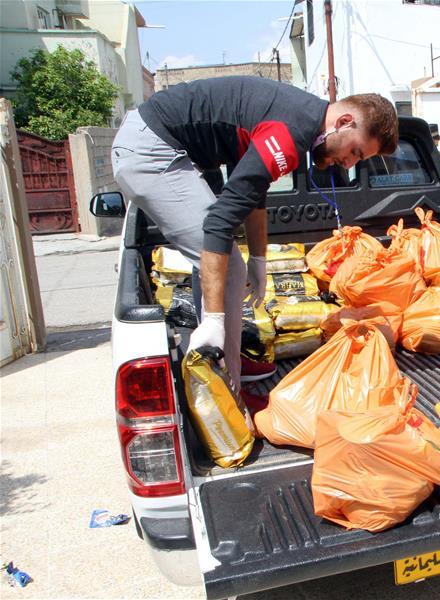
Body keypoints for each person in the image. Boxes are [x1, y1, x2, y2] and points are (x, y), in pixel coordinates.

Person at [111, 76, 398, 389]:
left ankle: (224, 355)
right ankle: (227, 392)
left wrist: (259, 259)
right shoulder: (291, 132)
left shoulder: (298, 116)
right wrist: (214, 321)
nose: (347, 164)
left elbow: (253, 193)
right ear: (343, 122)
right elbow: (219, 221)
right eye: (355, 151)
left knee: (225, 261)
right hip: (150, 151)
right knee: (230, 265)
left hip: (161, 144)